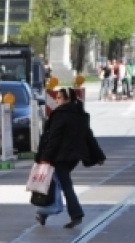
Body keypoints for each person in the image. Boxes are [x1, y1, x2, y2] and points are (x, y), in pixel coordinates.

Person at [34, 86, 92, 229]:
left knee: (63, 185)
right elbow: (89, 137)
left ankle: (75, 214)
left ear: (67, 99)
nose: (56, 100)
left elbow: (53, 138)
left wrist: (45, 157)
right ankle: (44, 214)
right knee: (55, 183)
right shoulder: (81, 114)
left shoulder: (59, 115)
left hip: (59, 156)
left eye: (59, 98)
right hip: (73, 157)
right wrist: (97, 156)